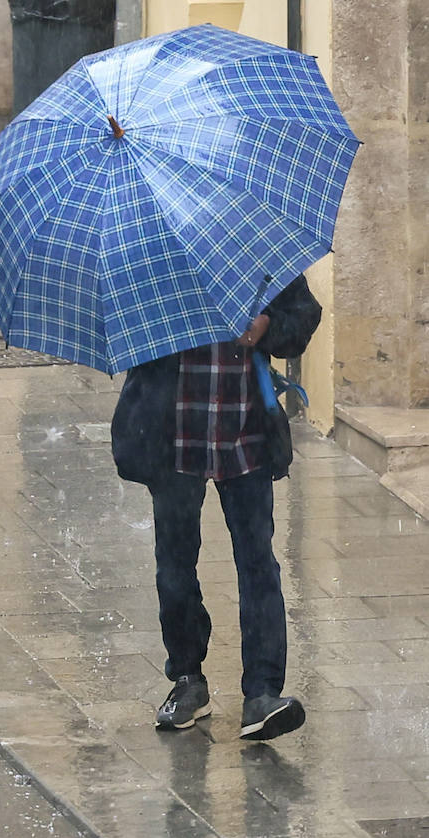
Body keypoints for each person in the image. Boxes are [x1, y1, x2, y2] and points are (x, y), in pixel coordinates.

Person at [110, 275, 323, 741]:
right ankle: (187, 680)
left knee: (258, 562)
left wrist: (267, 325)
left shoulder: (253, 246)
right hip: (172, 436)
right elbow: (123, 333)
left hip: (245, 432)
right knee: (175, 565)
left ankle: (263, 693)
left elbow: (304, 315)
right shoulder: (149, 251)